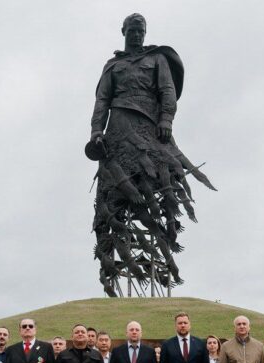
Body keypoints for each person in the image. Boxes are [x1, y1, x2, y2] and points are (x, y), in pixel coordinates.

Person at [89, 13, 215, 297]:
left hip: (150, 128)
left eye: (140, 31)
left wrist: (166, 121)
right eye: (132, 30)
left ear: (145, 33)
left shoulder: (157, 59)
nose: (136, 35)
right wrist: (97, 130)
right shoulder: (113, 66)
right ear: (123, 31)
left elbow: (167, 91)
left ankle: (163, 256)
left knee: (158, 186)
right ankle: (111, 269)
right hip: (118, 128)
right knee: (113, 197)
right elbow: (102, 101)